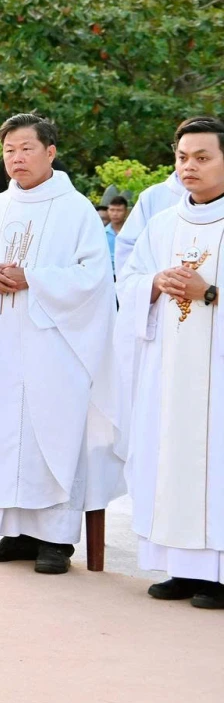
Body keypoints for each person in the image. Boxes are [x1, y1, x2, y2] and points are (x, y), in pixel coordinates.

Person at [0, 113, 122, 575]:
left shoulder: (76, 211)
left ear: (50, 152)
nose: (16, 158)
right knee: (5, 434)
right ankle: (14, 532)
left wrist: (35, 279)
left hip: (54, 349)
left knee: (51, 436)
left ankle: (55, 541)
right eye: (8, 151)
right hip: (1, 347)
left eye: (26, 148)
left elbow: (94, 280)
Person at [114, 116, 224, 609]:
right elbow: (129, 280)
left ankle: (219, 576)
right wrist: (152, 286)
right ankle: (181, 568)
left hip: (217, 376)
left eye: (202, 157)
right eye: (183, 158)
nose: (189, 167)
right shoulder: (161, 225)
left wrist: (212, 292)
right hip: (170, 369)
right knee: (170, 457)